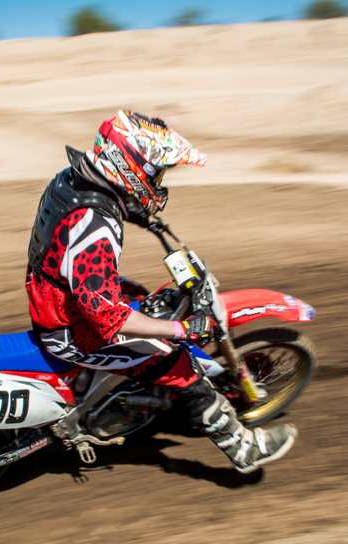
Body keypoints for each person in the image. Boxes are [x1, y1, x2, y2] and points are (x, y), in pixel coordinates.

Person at [25, 110, 296, 473]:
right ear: (132, 165)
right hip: (71, 329)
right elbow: (110, 318)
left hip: (52, 291)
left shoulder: (72, 180)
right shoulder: (95, 226)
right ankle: (243, 449)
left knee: (140, 294)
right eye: (157, 172)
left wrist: (134, 211)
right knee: (179, 363)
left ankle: (115, 390)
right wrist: (182, 330)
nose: (159, 180)